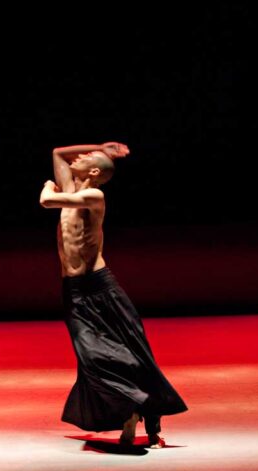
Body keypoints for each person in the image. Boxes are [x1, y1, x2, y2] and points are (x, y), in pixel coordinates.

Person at [40, 142, 187, 448]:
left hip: (99, 288)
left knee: (124, 353)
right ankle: (130, 408)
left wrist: (46, 187)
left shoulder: (93, 195)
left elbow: (46, 201)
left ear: (94, 171)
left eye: (85, 158)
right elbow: (57, 153)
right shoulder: (72, 188)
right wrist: (98, 146)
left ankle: (134, 408)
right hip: (74, 290)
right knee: (90, 357)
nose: (75, 159)